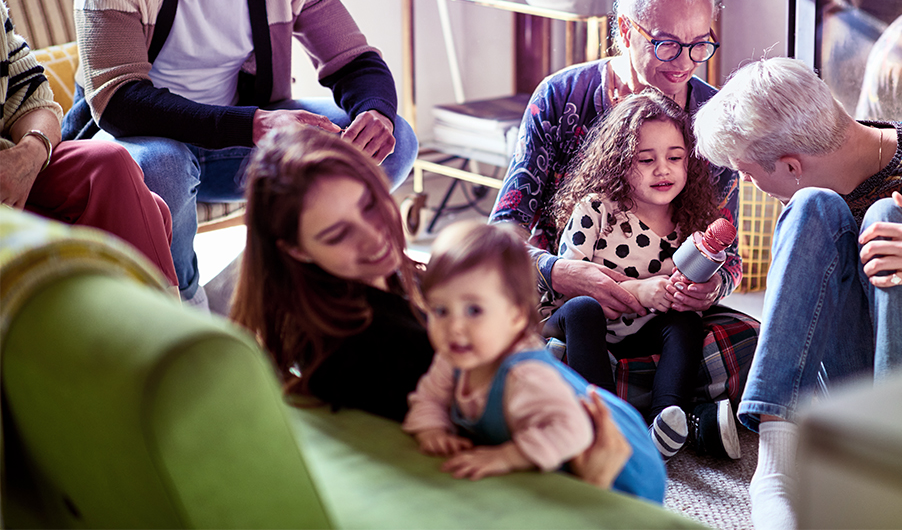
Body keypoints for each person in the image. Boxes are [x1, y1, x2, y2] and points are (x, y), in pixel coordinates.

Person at [61, 0, 417, 309]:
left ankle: (295, 286)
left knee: (396, 142)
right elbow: (119, 102)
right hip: (140, 146)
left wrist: (374, 111)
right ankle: (186, 313)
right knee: (163, 162)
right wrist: (252, 124)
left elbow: (354, 61)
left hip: (238, 143)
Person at [229, 124, 645, 491]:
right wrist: (595, 486)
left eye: (370, 204)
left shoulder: (380, 289)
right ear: (297, 250)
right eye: (338, 234)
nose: (373, 236)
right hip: (589, 451)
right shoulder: (374, 347)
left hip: (588, 416)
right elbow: (501, 449)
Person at [489, 0, 754, 406]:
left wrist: (707, 288)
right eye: (667, 44)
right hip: (565, 303)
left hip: (664, 314)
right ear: (627, 30)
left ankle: (587, 388)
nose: (686, 63)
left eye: (701, 43)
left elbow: (730, 256)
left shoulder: (713, 118)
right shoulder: (560, 97)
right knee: (492, 322)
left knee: (749, 342)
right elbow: (502, 235)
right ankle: (656, 403)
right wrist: (557, 271)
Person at [693, 56, 902, 530]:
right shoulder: (809, 199)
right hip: (848, 399)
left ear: (791, 165)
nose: (748, 186)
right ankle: (775, 471)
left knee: (887, 220)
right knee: (812, 206)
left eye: (746, 174)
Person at [0, 0, 178, 292]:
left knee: (113, 163)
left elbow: (34, 92)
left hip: (15, 165)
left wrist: (30, 152)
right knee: (147, 210)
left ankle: (166, 328)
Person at [402, 220, 666, 503]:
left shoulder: (525, 376)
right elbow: (429, 397)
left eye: (474, 310)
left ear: (515, 316)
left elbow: (572, 429)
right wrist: (432, 429)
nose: (454, 326)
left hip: (622, 468)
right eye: (441, 310)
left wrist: (508, 456)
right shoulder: (454, 356)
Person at [545, 91, 739, 461]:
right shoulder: (597, 209)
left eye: (675, 158)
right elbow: (568, 284)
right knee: (583, 308)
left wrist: (698, 291)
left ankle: (665, 419)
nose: (663, 169)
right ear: (619, 162)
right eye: (646, 159)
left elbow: (725, 269)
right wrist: (637, 290)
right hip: (587, 330)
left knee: (688, 322)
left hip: (643, 335)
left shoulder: (691, 218)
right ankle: (605, 424)